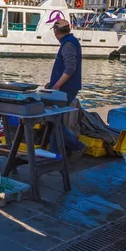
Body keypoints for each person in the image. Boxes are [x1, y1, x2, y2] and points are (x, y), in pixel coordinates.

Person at [46, 18, 87, 160]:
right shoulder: (69, 42)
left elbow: (70, 68)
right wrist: (51, 84)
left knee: (54, 119)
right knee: (55, 120)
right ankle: (59, 152)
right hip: (64, 88)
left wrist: (56, 86)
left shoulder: (68, 44)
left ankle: (75, 147)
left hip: (65, 89)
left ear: (56, 31)